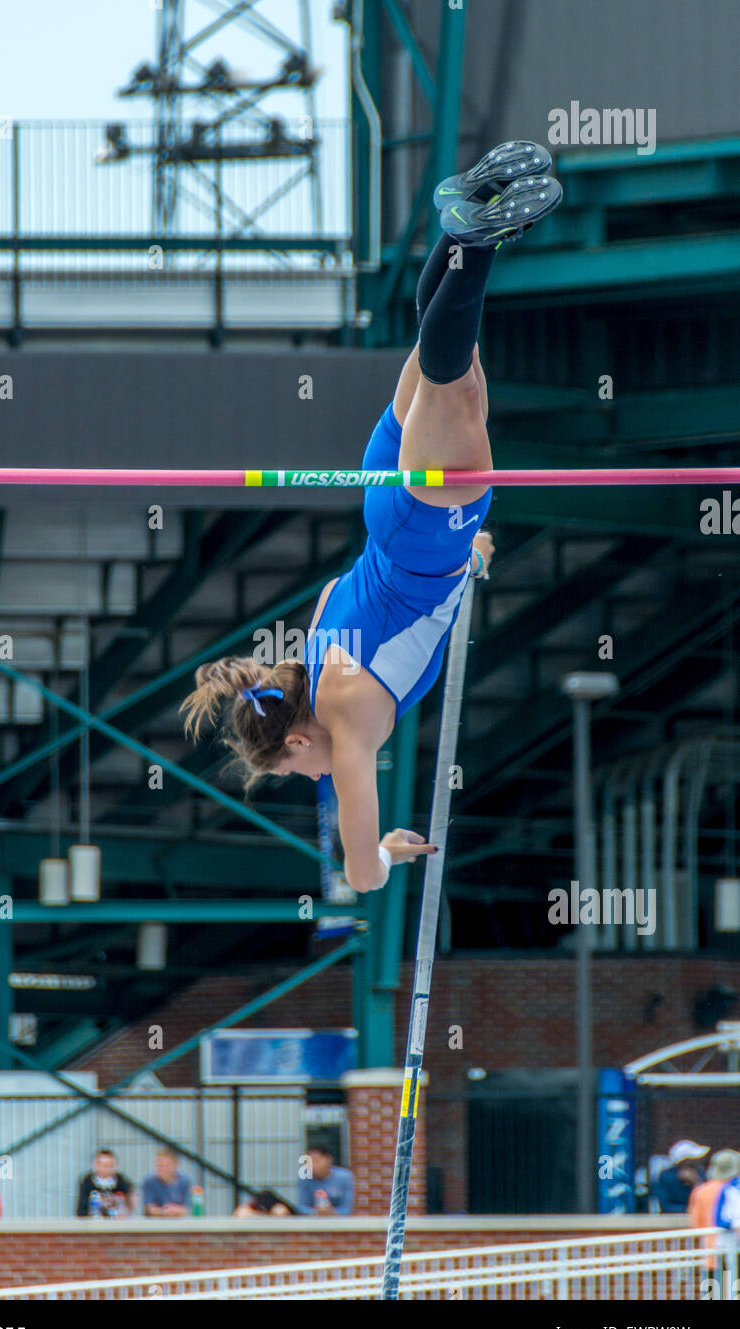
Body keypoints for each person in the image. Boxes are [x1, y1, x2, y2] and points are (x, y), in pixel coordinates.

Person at [182, 142, 563, 894]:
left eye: (299, 769)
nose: (314, 774)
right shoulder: (317, 638)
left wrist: (381, 850)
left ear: (295, 740)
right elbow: (392, 598)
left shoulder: (349, 720)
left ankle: (475, 238)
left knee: (452, 381)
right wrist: (468, 560)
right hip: (387, 504)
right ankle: (463, 221)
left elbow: (360, 878)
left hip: (423, 529)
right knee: (441, 359)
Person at [688, 1149, 740, 1273]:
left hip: (710, 1252)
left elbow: (696, 1225)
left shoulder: (701, 1191)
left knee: (714, 1291)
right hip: (734, 1250)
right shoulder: (735, 1189)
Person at [75, 1148, 135, 1218]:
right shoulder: (87, 1182)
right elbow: (81, 1206)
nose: (107, 1169)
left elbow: (129, 1202)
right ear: (95, 1165)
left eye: (111, 1166)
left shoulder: (122, 1181)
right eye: (104, 1166)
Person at [296, 1145, 354, 1216]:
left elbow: (347, 1209)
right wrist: (315, 1212)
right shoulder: (305, 1178)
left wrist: (332, 1212)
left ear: (328, 1160)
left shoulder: (344, 1177)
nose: (312, 1166)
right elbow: (301, 1207)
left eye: (316, 1161)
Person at [654, 1140, 709, 1213]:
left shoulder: (700, 1173)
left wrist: (696, 1182)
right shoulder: (667, 1176)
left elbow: (708, 1202)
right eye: (693, 1160)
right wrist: (689, 1210)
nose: (697, 1162)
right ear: (683, 1162)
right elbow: (665, 1206)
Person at [141, 1147, 191, 1217]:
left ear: (176, 1166)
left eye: (168, 1165)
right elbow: (149, 1209)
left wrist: (175, 1210)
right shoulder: (149, 1181)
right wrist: (165, 1211)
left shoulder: (185, 1181)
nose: (164, 1169)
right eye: (160, 1165)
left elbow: (187, 1208)